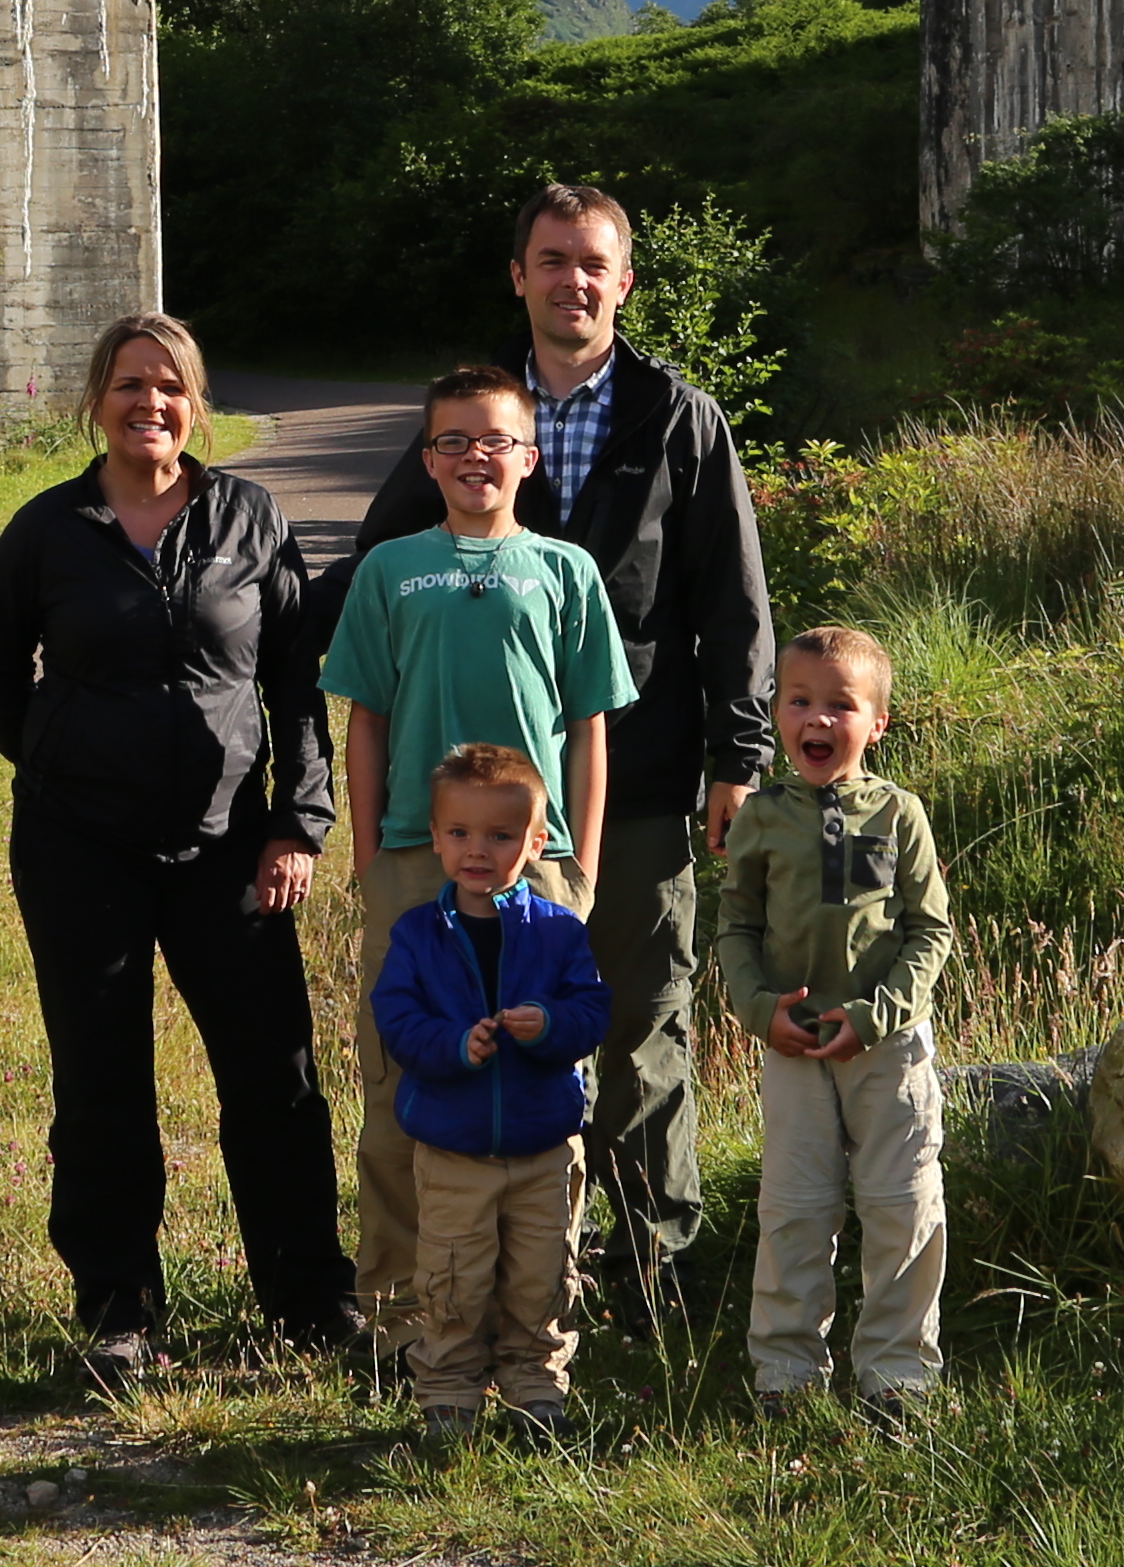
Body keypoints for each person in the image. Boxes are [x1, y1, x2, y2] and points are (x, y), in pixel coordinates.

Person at [351, 181, 777, 1304]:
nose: (571, 281)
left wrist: (738, 757)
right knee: (457, 1033)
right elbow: (381, 569)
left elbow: (734, 603)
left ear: (623, 281)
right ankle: (474, 1279)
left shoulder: (680, 417)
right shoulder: (473, 412)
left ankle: (651, 1266)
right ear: (520, 277)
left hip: (627, 785)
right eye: (551, 261)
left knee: (638, 1027)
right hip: (463, 816)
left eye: (593, 263)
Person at [0, 310, 359, 1376]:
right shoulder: (49, 531)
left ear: (197, 405)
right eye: (131, 384)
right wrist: (54, 759)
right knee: (102, 1083)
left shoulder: (250, 519)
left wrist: (296, 824)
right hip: (79, 848)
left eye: (170, 386)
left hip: (231, 848)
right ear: (97, 400)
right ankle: (120, 1311)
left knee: (274, 1076)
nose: (151, 404)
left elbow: (296, 685)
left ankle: (308, 1296)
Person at [319, 362, 633, 1322]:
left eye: (495, 439)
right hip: (415, 858)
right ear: (428, 458)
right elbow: (364, 717)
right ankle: (402, 1313)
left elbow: (588, 725)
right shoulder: (389, 569)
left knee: (542, 1073)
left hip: (536, 868)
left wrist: (576, 858)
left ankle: (534, 1308)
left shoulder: (565, 571)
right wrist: (373, 853)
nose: (474, 457)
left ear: (529, 457)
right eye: (452, 440)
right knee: (401, 1076)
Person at [707, 624, 954, 1416]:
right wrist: (756, 1010)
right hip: (795, 1045)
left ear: (877, 722)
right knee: (794, 1210)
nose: (816, 720)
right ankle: (785, 1375)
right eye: (799, 701)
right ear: (777, 712)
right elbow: (736, 929)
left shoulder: (899, 813)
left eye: (839, 706)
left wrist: (878, 1015)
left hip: (888, 1050)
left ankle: (898, 1376)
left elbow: (930, 931)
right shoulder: (763, 817)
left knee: (902, 1207)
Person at [364, 740, 613, 1450]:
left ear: (537, 842)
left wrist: (551, 1025)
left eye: (501, 836)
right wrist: (452, 1046)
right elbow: (398, 1020)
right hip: (453, 1147)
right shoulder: (418, 934)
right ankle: (448, 1397)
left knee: (542, 1277)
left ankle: (538, 1393)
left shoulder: (560, 932)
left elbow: (594, 1011)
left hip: (544, 1145)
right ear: (436, 838)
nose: (479, 850)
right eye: (462, 834)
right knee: (451, 1279)